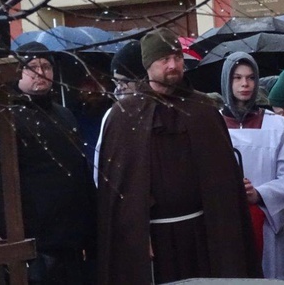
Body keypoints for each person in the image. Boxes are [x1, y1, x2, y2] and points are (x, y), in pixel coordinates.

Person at [96, 28, 261, 284]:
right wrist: (137, 237)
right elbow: (120, 190)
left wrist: (219, 231)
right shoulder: (124, 115)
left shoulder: (204, 110)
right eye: (164, 59)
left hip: (203, 233)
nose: (173, 65)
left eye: (177, 58)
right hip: (153, 240)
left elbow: (223, 183)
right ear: (148, 64)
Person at [0, 42, 96, 284]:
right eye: (32, 66)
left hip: (72, 241)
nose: (40, 72)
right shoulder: (7, 118)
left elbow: (79, 170)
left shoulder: (65, 114)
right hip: (35, 244)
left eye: (46, 66)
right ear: (18, 72)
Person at [221, 52, 284, 282]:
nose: (245, 84)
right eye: (237, 78)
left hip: (267, 220)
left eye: (250, 77)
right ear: (227, 81)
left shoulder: (277, 125)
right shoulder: (212, 125)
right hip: (227, 222)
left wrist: (259, 194)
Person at [93, 40, 147, 186]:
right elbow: (101, 169)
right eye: (116, 83)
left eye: (124, 82)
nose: (119, 89)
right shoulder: (114, 115)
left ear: (141, 79)